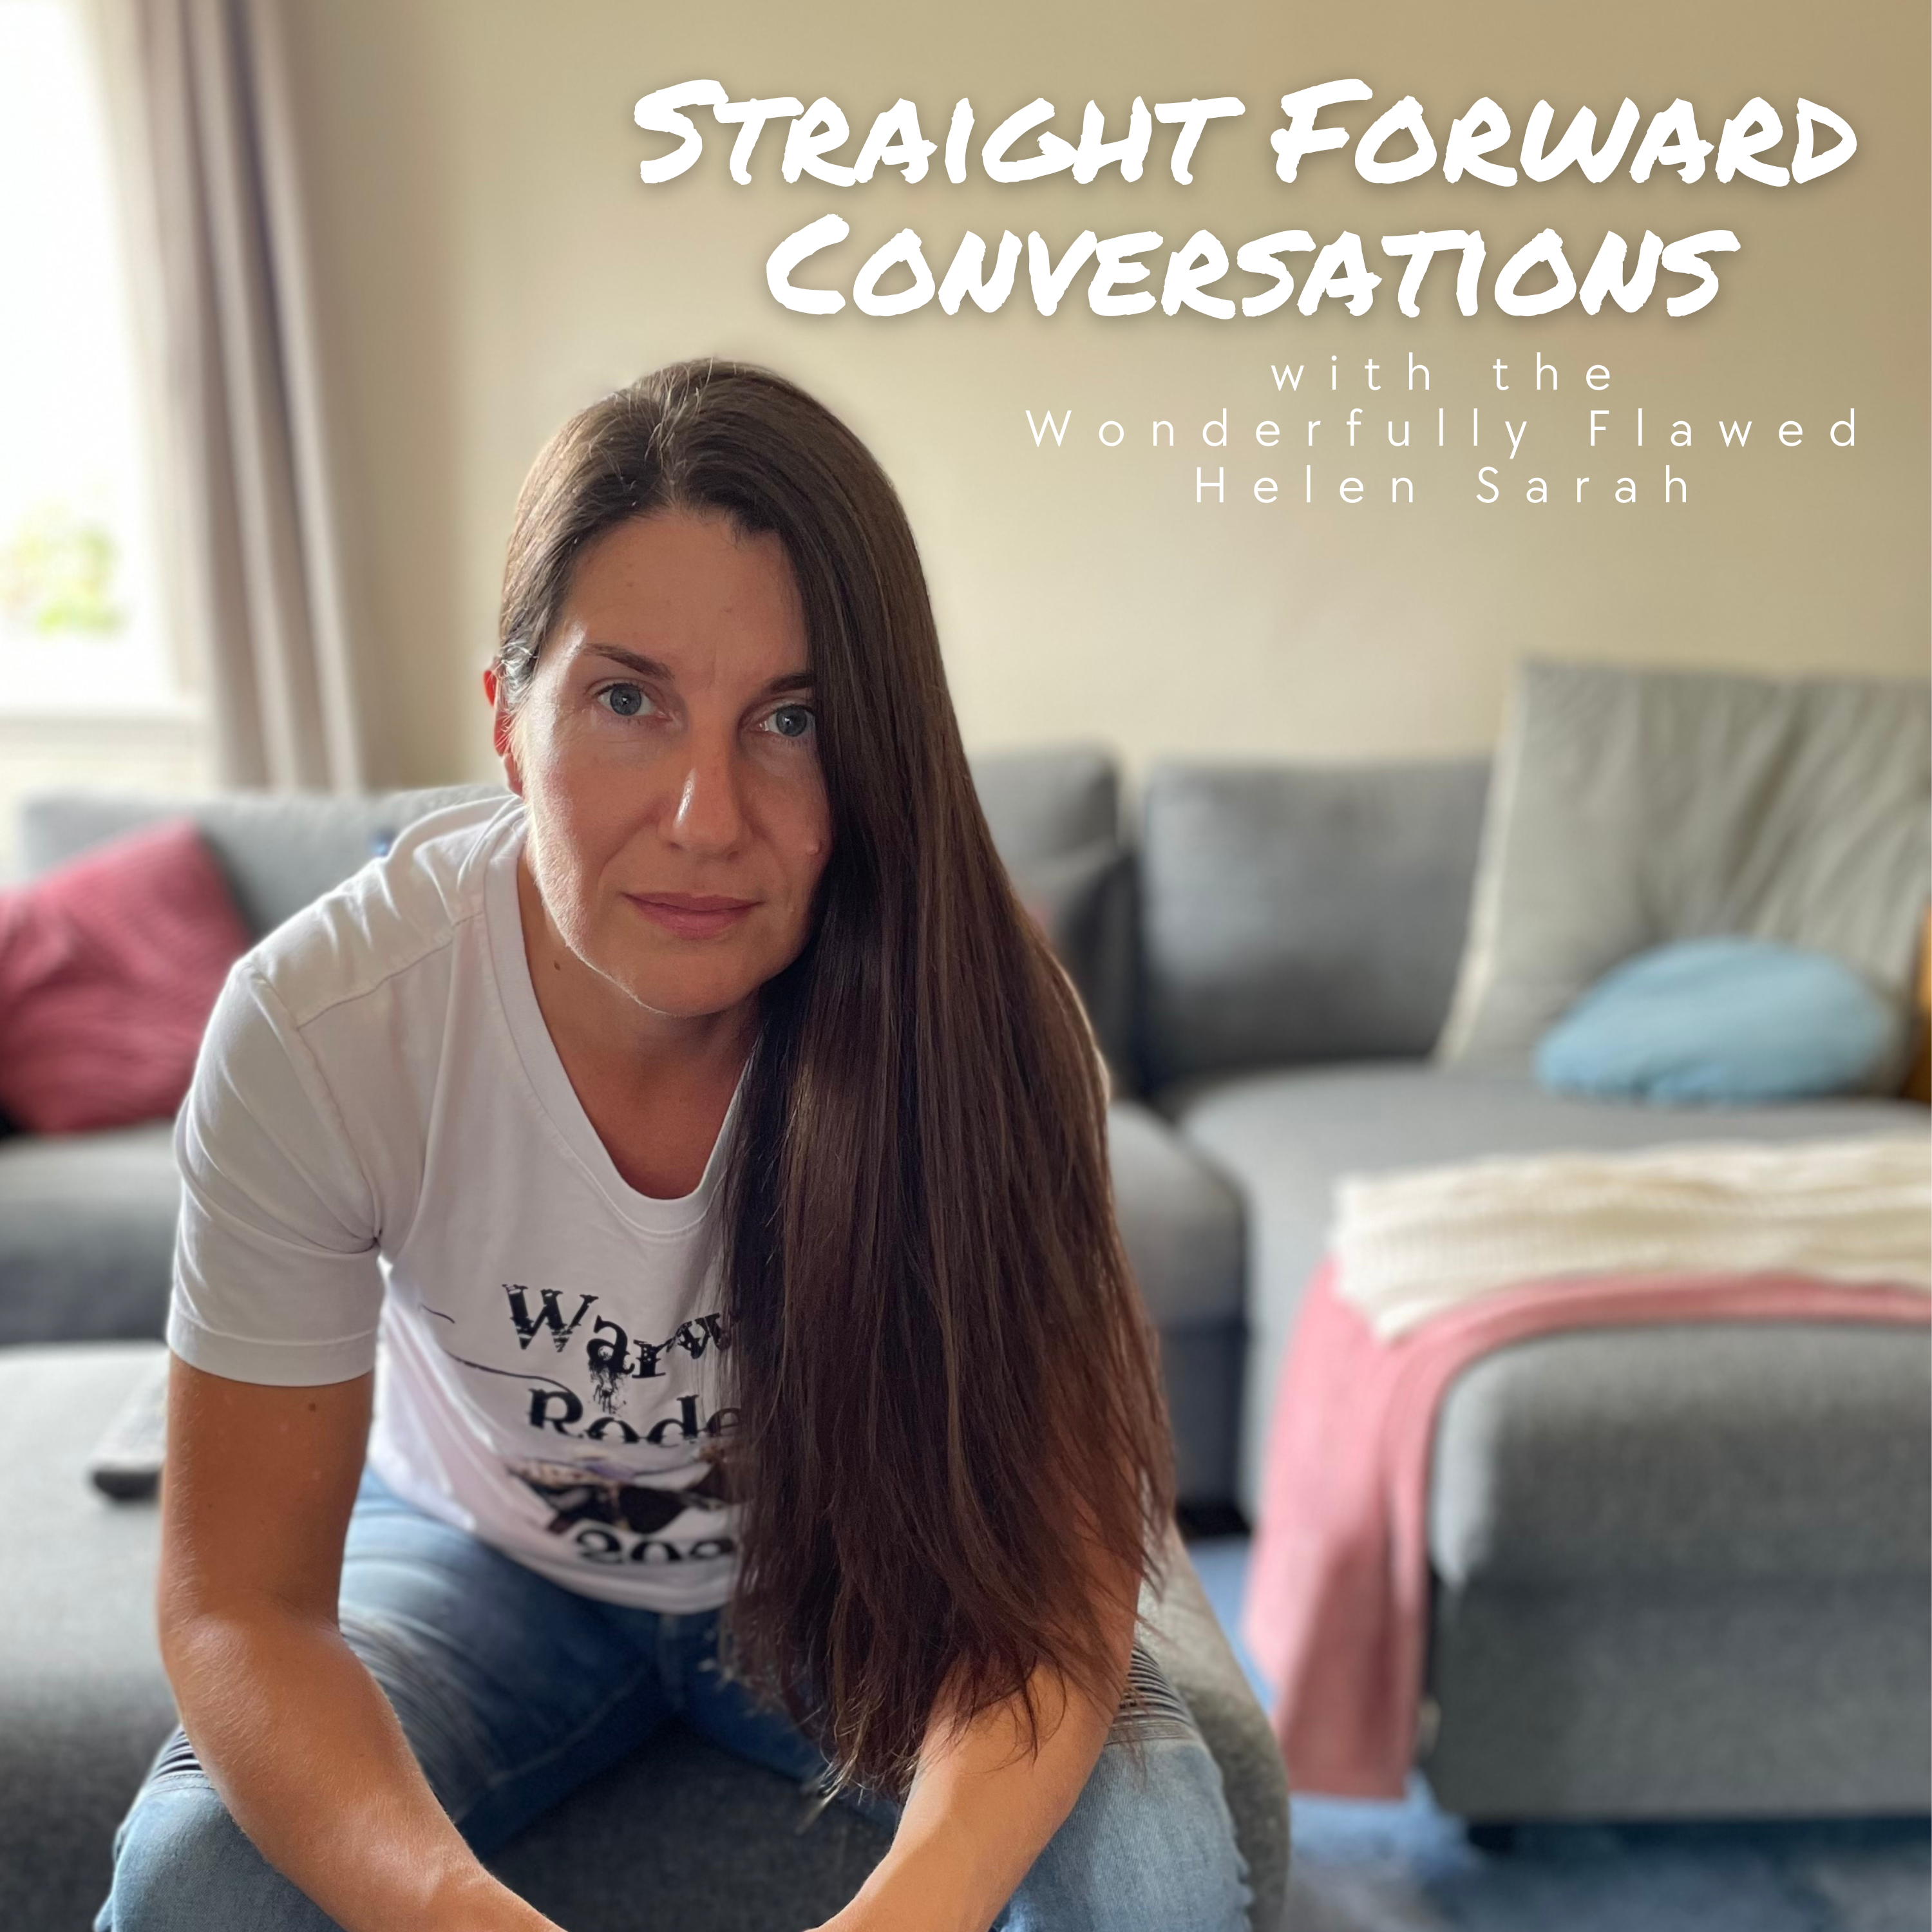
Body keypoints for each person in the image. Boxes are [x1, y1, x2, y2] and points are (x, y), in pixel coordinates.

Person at [96, 360, 1252, 1932]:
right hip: (470, 1556)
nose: (709, 816)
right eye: (628, 701)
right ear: (509, 723)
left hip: (859, 1561)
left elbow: (1055, 1568)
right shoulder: (323, 1026)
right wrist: (446, 1911)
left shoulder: (984, 1016)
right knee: (195, 1884)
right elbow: (240, 1607)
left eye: (793, 720)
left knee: (1160, 1864)